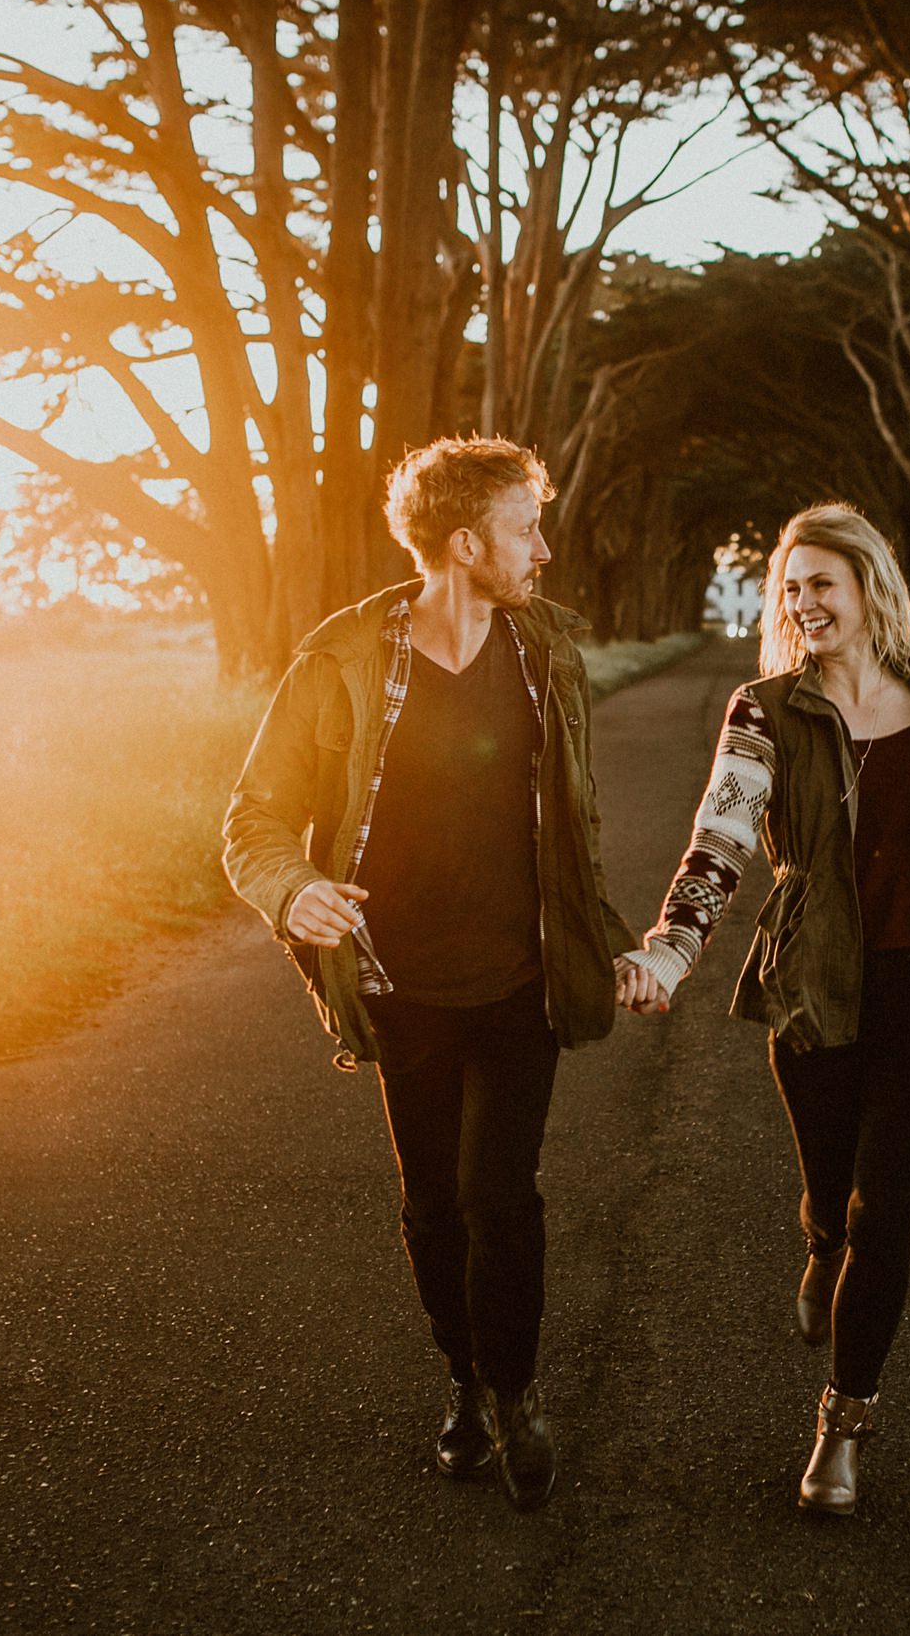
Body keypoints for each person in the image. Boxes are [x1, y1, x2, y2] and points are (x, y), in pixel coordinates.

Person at [222, 437, 632, 1512]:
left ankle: (515, 1393)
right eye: (524, 529)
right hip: (397, 985)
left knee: (503, 1195)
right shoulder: (341, 661)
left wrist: (605, 937)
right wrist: (294, 889)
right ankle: (463, 1375)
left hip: (519, 980)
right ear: (464, 544)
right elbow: (254, 817)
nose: (542, 550)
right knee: (433, 1204)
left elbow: (575, 818)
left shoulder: (546, 654)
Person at [616, 502, 910, 1517]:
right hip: (814, 985)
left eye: (820, 584)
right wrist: (671, 949)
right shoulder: (763, 709)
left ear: (870, 586)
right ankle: (819, 1240)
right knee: (837, 1201)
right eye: (789, 589)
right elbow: (720, 840)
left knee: (886, 1209)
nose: (802, 604)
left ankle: (843, 1422)